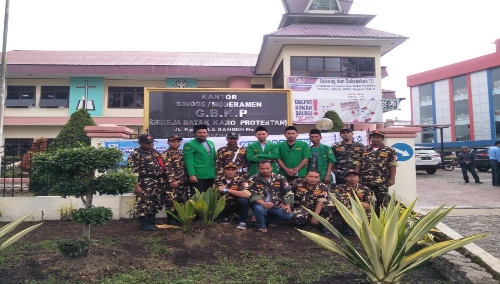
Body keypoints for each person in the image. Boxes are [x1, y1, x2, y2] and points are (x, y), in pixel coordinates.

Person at [127, 134, 166, 231]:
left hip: (156, 182)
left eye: (151, 142)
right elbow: (132, 172)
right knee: (144, 203)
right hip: (144, 183)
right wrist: (136, 186)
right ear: (140, 143)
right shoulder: (136, 155)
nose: (150, 144)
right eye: (147, 143)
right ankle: (145, 223)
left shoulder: (154, 152)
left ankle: (152, 220)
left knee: (154, 202)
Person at [354, 130, 397, 215]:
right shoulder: (363, 149)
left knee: (383, 202)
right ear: (370, 138)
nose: (375, 139)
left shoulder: (389, 150)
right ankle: (366, 220)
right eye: (373, 137)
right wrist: (356, 177)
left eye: (378, 137)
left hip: (382, 181)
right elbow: (358, 164)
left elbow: (392, 165)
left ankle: (382, 222)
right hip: (365, 181)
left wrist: (392, 179)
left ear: (382, 139)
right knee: (365, 202)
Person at [248, 160, 294, 233]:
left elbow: (287, 191)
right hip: (261, 204)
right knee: (258, 208)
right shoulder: (253, 179)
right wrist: (263, 204)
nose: (265, 171)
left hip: (276, 204)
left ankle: (271, 220)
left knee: (289, 215)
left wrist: (287, 205)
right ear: (258, 169)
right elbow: (252, 193)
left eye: (267, 168)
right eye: (262, 169)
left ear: (271, 168)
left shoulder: (280, 178)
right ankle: (261, 226)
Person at [290, 170, 336, 234]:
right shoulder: (296, 183)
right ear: (306, 176)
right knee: (298, 218)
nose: (313, 179)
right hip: (301, 208)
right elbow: (288, 194)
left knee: (330, 205)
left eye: (316, 177)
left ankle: (325, 225)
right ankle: (306, 222)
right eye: (310, 176)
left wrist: (315, 216)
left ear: (319, 178)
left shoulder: (322, 186)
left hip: (317, 208)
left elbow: (321, 201)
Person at [333, 169, 372, 236]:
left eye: (354, 176)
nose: (352, 178)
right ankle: (348, 226)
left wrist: (358, 204)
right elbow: (341, 200)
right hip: (346, 208)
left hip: (360, 208)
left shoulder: (365, 189)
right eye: (349, 176)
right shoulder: (339, 187)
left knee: (368, 210)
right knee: (347, 207)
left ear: (358, 178)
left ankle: (364, 227)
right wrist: (358, 203)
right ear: (345, 178)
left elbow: (367, 203)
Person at [215, 162, 251, 230]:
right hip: (223, 205)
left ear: (236, 170)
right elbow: (213, 193)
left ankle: (242, 221)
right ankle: (228, 216)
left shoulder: (242, 180)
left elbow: (246, 194)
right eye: (228, 169)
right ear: (224, 170)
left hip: (236, 204)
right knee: (220, 220)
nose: (230, 172)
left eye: (233, 170)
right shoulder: (218, 180)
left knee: (243, 200)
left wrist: (226, 190)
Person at [183, 124, 216, 194]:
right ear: (195, 133)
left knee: (210, 198)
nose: (202, 134)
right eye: (199, 133)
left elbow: (214, 157)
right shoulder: (189, 144)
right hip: (198, 176)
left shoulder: (211, 143)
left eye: (204, 132)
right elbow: (188, 160)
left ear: (207, 133)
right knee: (198, 198)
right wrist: (191, 174)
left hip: (211, 175)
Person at [163, 134, 188, 225]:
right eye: (173, 142)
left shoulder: (182, 153)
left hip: (183, 182)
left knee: (182, 200)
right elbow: (167, 168)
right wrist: (172, 180)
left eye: (178, 141)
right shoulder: (166, 154)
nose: (176, 143)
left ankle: (179, 218)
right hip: (173, 182)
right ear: (168, 143)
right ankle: (171, 220)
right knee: (171, 201)